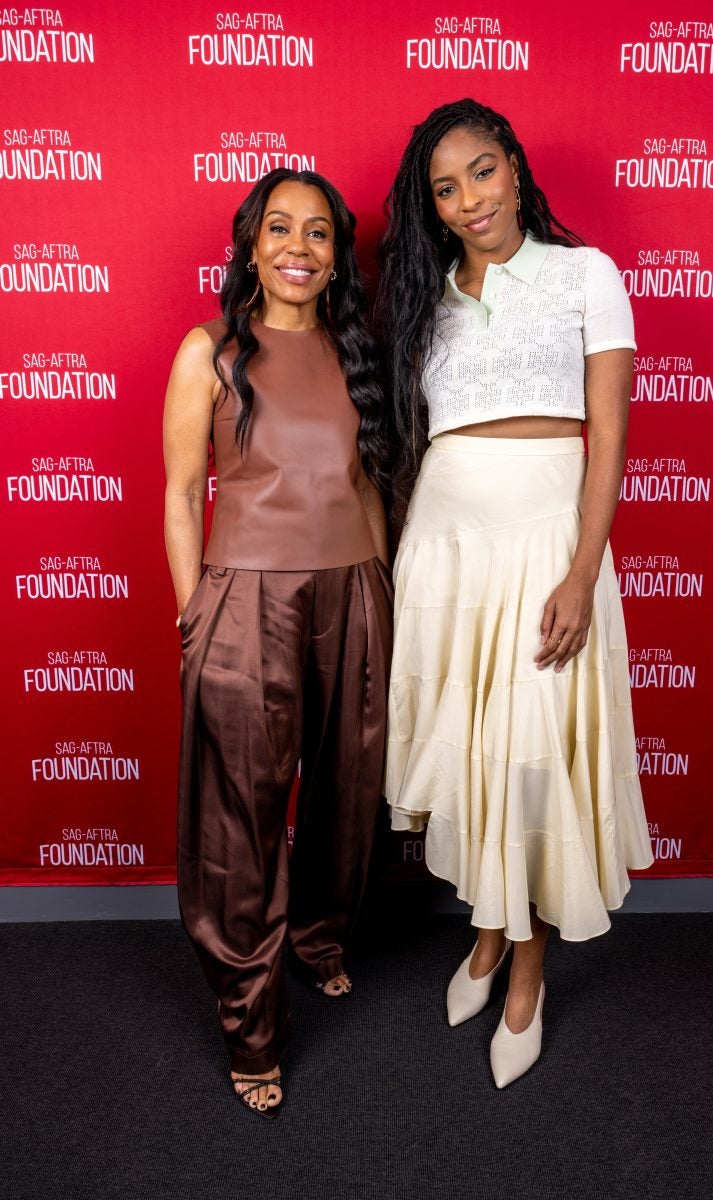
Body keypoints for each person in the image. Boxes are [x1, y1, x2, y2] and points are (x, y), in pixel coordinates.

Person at [377, 99, 653, 1088]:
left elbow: (607, 436)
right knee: (472, 755)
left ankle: (526, 967)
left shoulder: (586, 275)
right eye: (445, 188)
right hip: (446, 549)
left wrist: (581, 570)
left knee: (529, 760)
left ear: (515, 168)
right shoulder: (427, 300)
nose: (469, 200)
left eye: (482, 172)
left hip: (546, 543)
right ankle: (489, 932)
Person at [163, 169, 392, 1117]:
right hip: (245, 598)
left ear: (337, 255)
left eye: (320, 233)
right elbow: (183, 493)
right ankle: (251, 1028)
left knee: (348, 791)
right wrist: (194, 613)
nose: (300, 246)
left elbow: (369, 486)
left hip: (354, 590)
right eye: (280, 228)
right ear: (251, 247)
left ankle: (319, 938)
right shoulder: (210, 350)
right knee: (240, 822)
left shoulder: (357, 351)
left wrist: (383, 594)